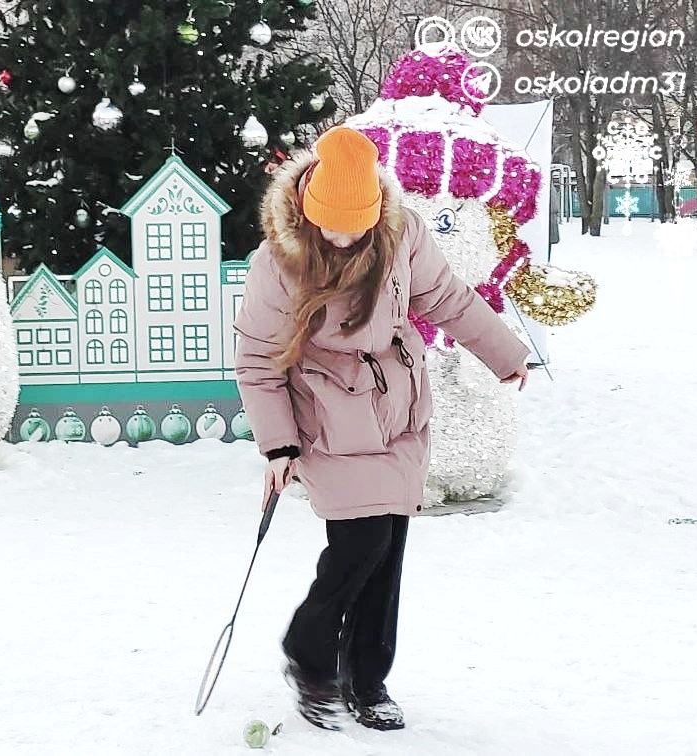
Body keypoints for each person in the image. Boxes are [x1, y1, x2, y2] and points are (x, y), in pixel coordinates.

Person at [232, 127, 529, 732]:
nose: (344, 237)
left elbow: (445, 297)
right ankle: (310, 653)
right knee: (359, 545)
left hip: (397, 409)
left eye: (356, 224)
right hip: (326, 417)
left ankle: (368, 681)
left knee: (387, 548)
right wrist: (279, 445)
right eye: (333, 226)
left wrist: (504, 351)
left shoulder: (401, 233)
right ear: (310, 211)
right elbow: (258, 362)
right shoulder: (278, 261)